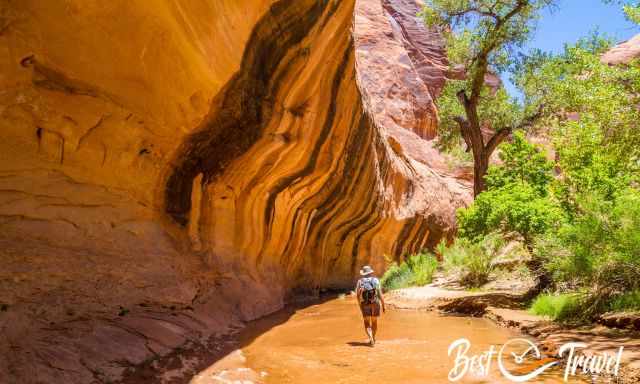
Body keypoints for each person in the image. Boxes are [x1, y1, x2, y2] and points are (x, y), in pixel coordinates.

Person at [355, 265, 385, 346]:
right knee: (374, 322)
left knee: (367, 322)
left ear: (363, 273)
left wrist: (360, 305)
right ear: (370, 272)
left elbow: (357, 295)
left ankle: (370, 338)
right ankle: (374, 338)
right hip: (375, 302)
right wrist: (383, 304)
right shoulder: (375, 280)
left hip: (365, 304)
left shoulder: (360, 281)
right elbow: (379, 293)